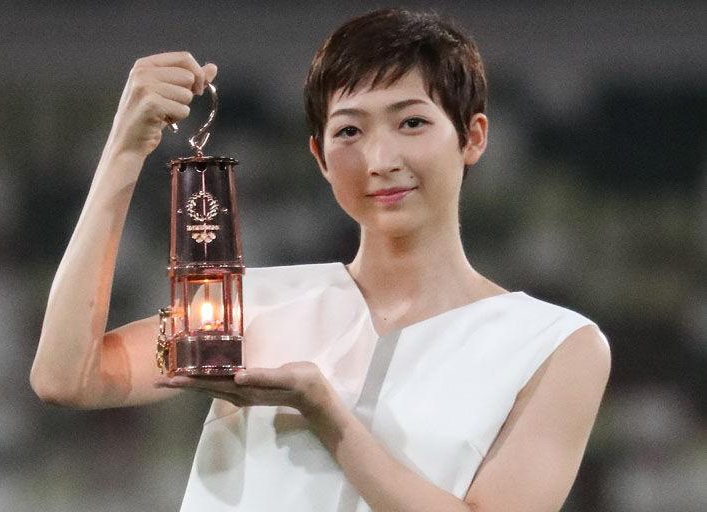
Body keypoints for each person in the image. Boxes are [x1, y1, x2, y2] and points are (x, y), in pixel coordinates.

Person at [30, 8, 611, 512]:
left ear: (473, 136)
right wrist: (125, 150)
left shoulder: (555, 345)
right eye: (350, 130)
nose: (380, 159)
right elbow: (67, 377)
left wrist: (325, 415)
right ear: (320, 156)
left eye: (411, 122)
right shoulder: (241, 306)